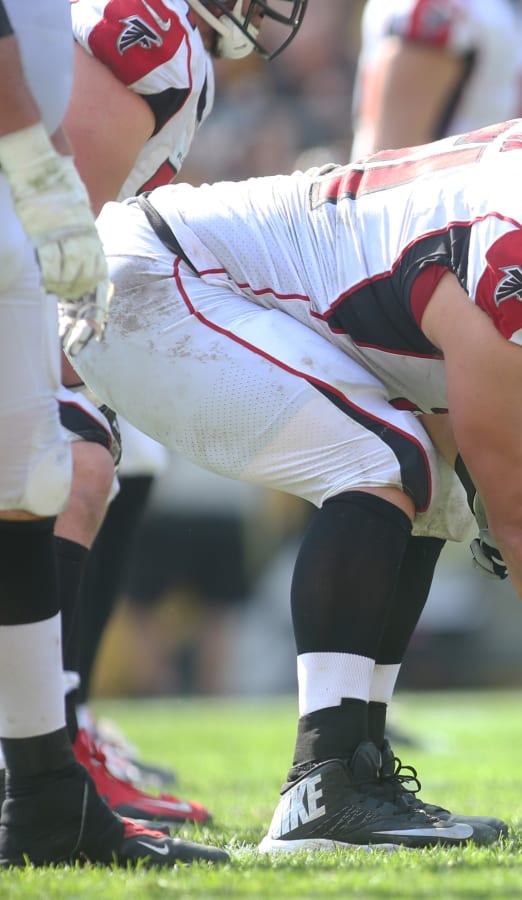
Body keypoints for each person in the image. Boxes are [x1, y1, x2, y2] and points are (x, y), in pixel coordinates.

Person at [71, 44, 522, 852]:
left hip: (202, 284)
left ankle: (352, 770)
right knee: (384, 464)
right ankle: (322, 785)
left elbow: (472, 450)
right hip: (153, 279)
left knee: (434, 496)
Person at [36, 0, 308, 825]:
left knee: (120, 452)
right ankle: (43, 749)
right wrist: (60, 373)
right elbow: (55, 215)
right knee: (78, 460)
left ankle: (55, 732)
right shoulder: (156, 39)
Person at [351, 0, 522, 747]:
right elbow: (382, 157)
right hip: (438, 279)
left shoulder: (503, 12)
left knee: (495, 477)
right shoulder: (441, 9)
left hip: (475, 271)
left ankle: (359, 703)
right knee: (488, 476)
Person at [0, 0, 226, 867]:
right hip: (19, 241)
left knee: (61, 471)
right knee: (76, 457)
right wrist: (37, 161)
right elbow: (70, 197)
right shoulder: (154, 34)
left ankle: (48, 764)